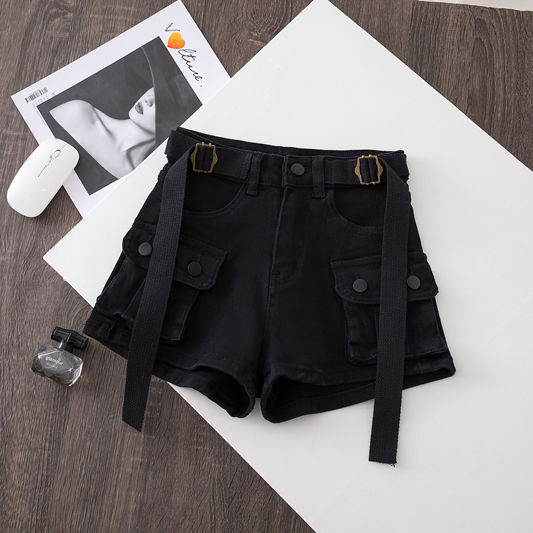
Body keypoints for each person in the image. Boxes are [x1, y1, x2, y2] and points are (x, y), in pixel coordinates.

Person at [50, 88, 157, 179]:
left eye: (162, 102)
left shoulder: (139, 178)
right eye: (155, 89)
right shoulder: (78, 113)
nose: (148, 99)